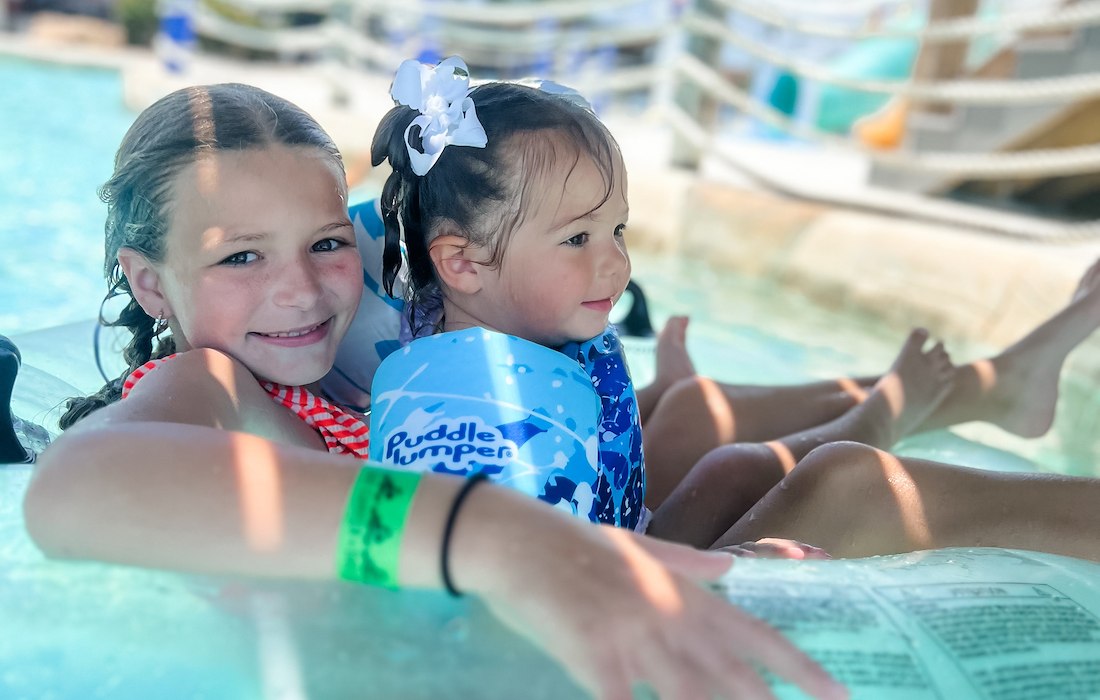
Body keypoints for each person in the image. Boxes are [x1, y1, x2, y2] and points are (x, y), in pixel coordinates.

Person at [20, 82, 846, 700]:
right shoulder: (206, 385)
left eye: (325, 244)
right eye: (241, 256)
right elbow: (73, 485)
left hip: (476, 634)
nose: (301, 292)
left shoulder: (353, 374)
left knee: (796, 471)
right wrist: (496, 536)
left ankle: (865, 399)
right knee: (822, 480)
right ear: (151, 286)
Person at [366, 56, 1100, 560]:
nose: (616, 262)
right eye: (578, 238)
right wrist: (730, 568)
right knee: (852, 480)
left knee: (728, 467)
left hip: (619, 540)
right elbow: (529, 597)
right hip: (615, 602)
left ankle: (944, 399)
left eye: (618, 230)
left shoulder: (485, 320)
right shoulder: (479, 417)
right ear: (462, 262)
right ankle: (897, 416)